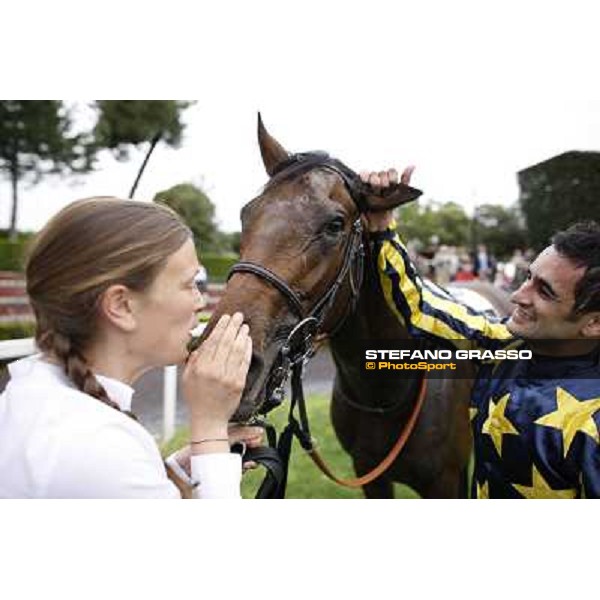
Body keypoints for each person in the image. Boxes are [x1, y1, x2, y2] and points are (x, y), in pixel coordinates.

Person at [361, 168, 600, 498]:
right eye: (528, 277)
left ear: (594, 323)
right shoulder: (499, 343)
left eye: (544, 291)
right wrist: (383, 227)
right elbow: (422, 307)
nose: (517, 295)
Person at [0, 197, 261, 499]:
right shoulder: (99, 448)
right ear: (121, 306)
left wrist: (175, 470)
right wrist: (210, 429)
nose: (200, 302)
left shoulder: (32, 397)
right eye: (190, 284)